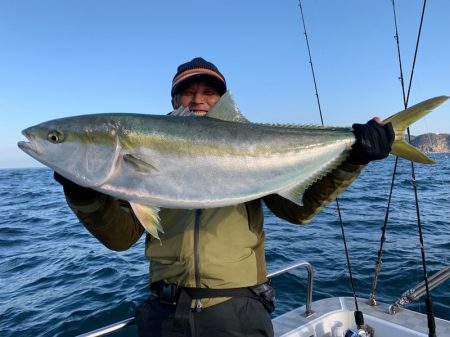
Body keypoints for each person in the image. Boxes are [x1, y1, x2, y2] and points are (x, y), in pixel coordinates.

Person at [54, 57, 394, 337]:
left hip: (238, 311)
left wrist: (353, 159)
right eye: (187, 93)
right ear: (174, 102)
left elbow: (298, 210)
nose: (197, 99)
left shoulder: (253, 145)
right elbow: (121, 238)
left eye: (208, 92)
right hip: (164, 314)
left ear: (222, 101)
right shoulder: (128, 174)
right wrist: (83, 193)